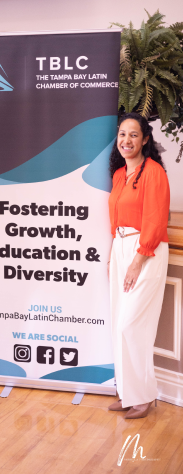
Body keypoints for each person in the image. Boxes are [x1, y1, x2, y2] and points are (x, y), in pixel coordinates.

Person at [108, 112, 170, 419]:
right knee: (118, 324)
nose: (126, 140)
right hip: (121, 246)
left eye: (133, 135)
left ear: (145, 139)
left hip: (146, 251)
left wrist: (136, 261)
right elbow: (116, 218)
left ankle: (144, 395)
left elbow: (156, 221)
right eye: (122, 134)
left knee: (131, 325)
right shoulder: (120, 174)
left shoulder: (154, 172)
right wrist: (115, 254)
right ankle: (127, 392)